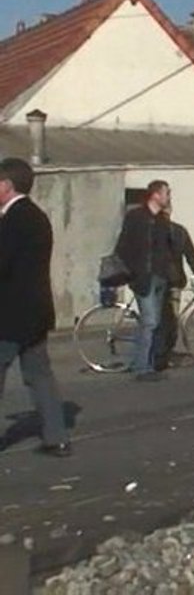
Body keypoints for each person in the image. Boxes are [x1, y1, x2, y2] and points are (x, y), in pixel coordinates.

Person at [0, 158, 71, 456]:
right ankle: (57, 438)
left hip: (9, 314)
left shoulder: (12, 220)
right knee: (40, 376)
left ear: (6, 185)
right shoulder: (37, 216)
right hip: (36, 312)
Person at [115, 180, 172, 381]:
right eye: (166, 193)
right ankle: (142, 368)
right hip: (142, 277)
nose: (168, 197)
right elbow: (123, 246)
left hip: (159, 277)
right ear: (155, 195)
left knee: (151, 323)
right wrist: (132, 272)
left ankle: (142, 361)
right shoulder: (136, 217)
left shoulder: (163, 221)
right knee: (150, 321)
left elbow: (167, 250)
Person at [156, 206, 194, 369]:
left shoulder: (173, 231)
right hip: (171, 281)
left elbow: (190, 254)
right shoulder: (178, 231)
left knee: (167, 318)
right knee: (169, 319)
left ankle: (163, 351)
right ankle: (163, 352)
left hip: (167, 280)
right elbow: (191, 254)